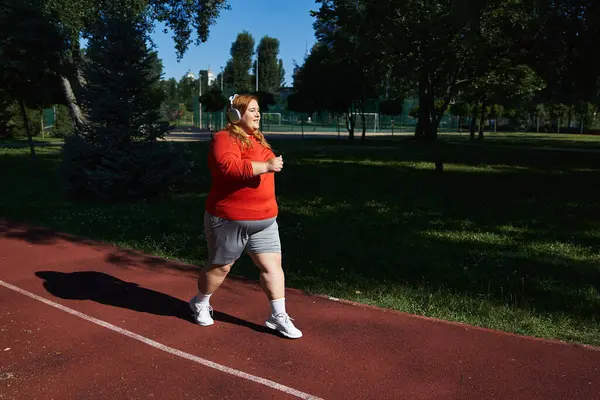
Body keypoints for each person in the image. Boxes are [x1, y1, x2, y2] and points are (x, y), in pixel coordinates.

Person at [189, 94, 302, 339]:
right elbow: (228, 168)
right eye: (252, 110)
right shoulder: (224, 138)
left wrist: (271, 165)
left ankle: (278, 315)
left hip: (265, 220)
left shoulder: (258, 139)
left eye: (258, 109)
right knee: (221, 267)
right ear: (236, 115)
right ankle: (200, 302)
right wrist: (267, 166)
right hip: (230, 218)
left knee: (272, 267)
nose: (258, 114)